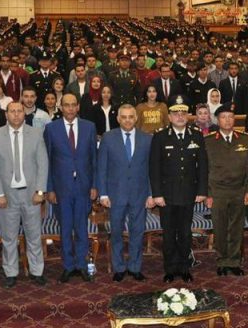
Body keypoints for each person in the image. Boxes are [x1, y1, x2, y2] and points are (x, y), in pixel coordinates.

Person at [0, 101, 49, 287]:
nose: (16, 114)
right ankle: (11, 272)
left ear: (24, 113)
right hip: (7, 195)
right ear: (6, 114)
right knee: (8, 238)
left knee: (34, 236)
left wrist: (40, 191)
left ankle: (36, 271)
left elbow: (42, 164)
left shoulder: (36, 134)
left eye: (19, 111)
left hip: (31, 195)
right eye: (12, 111)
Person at [150, 96, 208, 283]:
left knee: (185, 233)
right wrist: (157, 194)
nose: (180, 116)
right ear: (169, 116)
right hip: (167, 195)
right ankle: (170, 269)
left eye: (183, 112)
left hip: (188, 194)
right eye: (176, 113)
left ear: (188, 115)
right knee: (168, 234)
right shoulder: (160, 136)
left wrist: (202, 190)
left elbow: (203, 166)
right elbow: (154, 168)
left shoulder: (196, 135)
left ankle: (184, 267)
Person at [44, 93, 98, 283]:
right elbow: (47, 160)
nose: (70, 108)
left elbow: (94, 159)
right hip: (61, 188)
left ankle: (81, 265)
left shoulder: (89, 127)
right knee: (66, 229)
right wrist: (50, 188)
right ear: (61, 107)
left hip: (83, 186)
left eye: (73, 105)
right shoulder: (51, 128)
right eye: (66, 105)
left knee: (82, 228)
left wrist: (94, 185)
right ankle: (68, 266)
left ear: (78, 107)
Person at [96, 104, 153, 281]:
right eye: (124, 117)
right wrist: (103, 194)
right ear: (118, 119)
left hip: (139, 194)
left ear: (136, 118)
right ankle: (119, 267)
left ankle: (135, 267)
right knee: (116, 232)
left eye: (130, 117)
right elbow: (102, 167)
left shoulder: (147, 139)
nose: (127, 120)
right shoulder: (108, 138)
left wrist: (151, 194)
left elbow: (152, 169)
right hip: (115, 195)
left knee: (137, 232)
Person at [204, 104, 248, 276]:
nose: (227, 120)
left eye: (230, 117)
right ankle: (222, 261)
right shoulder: (209, 141)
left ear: (234, 119)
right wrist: (208, 194)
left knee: (236, 228)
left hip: (238, 191)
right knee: (220, 228)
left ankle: (234, 262)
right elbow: (204, 170)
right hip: (217, 192)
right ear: (217, 120)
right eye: (223, 117)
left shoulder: (244, 139)